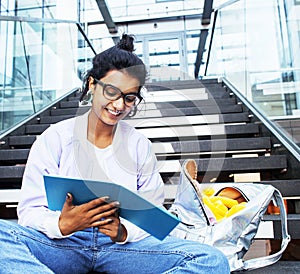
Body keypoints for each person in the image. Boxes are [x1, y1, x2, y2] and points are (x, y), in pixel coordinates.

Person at [0, 34, 229, 274]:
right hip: (62, 244)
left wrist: (123, 231)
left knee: (212, 260)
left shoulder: (139, 145)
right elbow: (29, 211)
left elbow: (153, 213)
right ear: (92, 84)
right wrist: (62, 224)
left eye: (129, 98)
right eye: (112, 92)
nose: (119, 106)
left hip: (120, 248)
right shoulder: (55, 138)